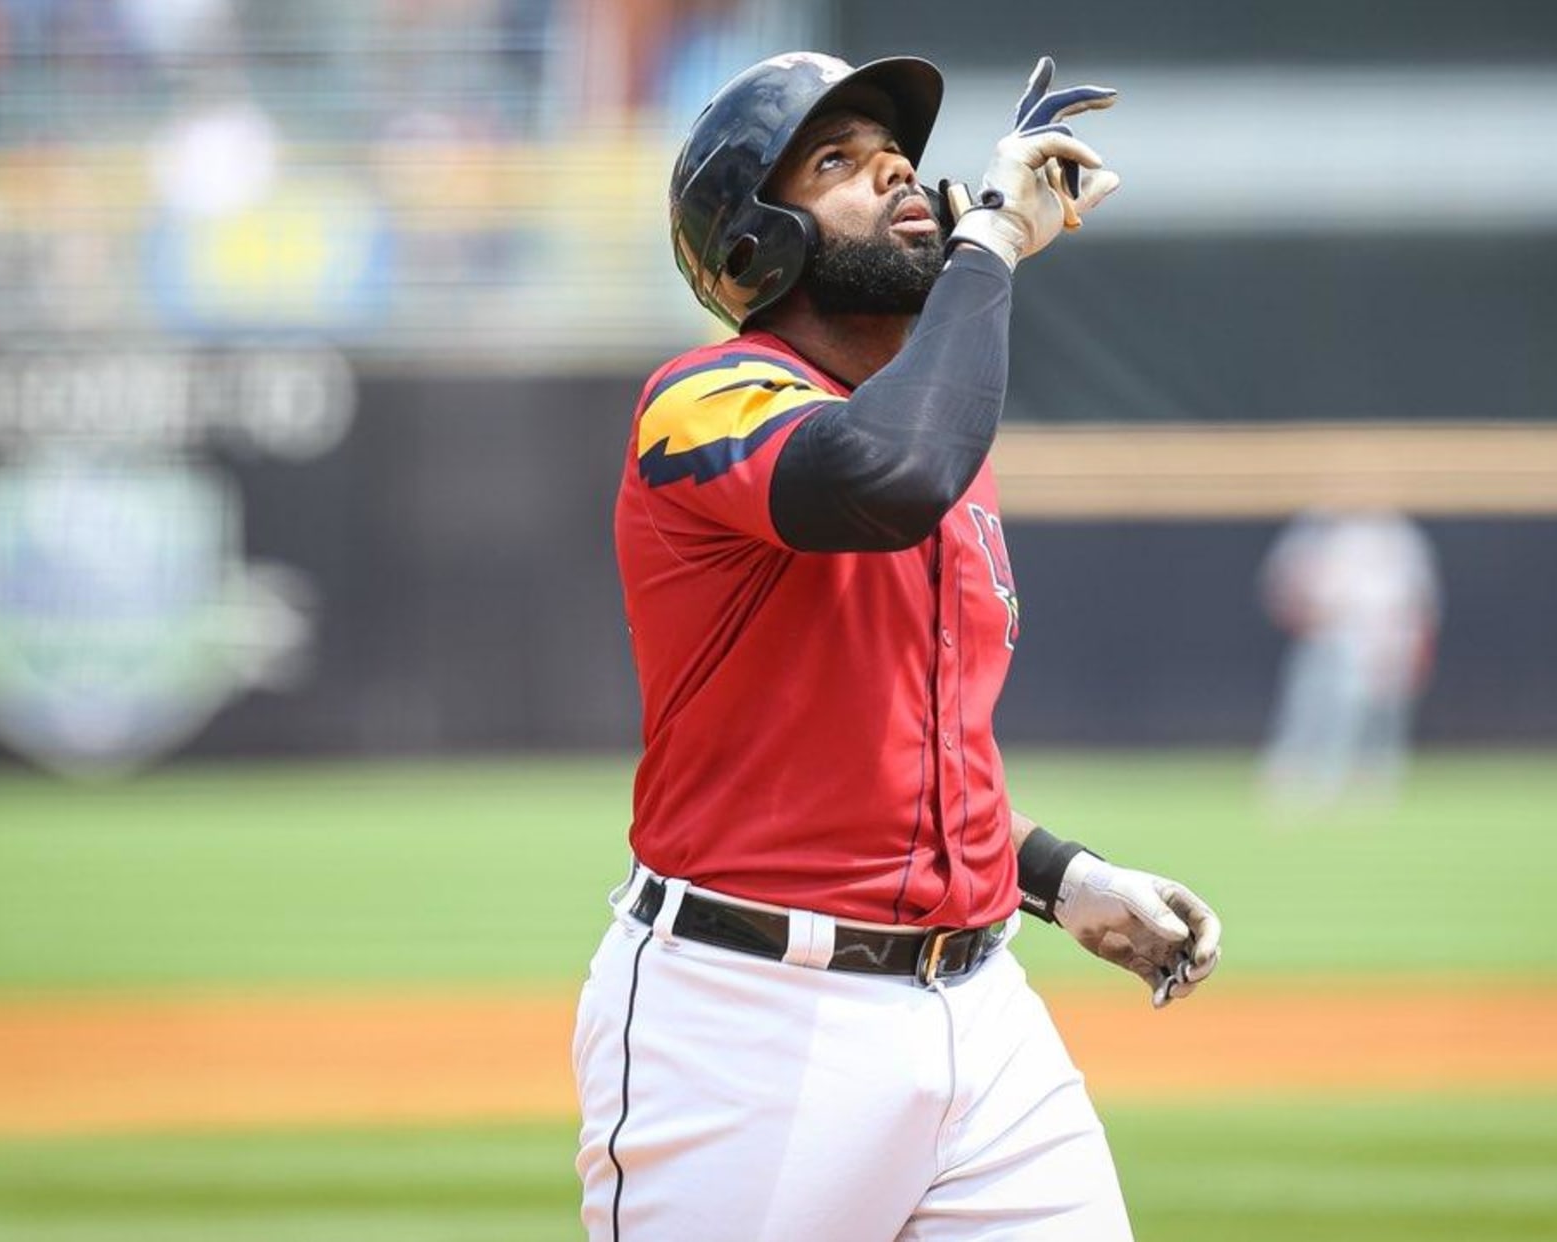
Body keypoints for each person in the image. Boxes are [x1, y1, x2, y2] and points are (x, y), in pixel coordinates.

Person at [574, 51, 1224, 1240]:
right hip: (750, 1025)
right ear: (755, 245)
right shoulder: (709, 396)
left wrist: (1057, 877)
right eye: (836, 161)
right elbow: (885, 476)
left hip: (983, 1014)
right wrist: (991, 247)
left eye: (897, 156)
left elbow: (905, 750)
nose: (895, 175)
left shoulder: (942, 439)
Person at [1257, 506, 1441, 812]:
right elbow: (1283, 579)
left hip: (1389, 636)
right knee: (1313, 710)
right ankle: (1296, 782)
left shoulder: (1398, 532)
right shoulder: (1318, 525)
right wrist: (1304, 612)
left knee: (1380, 718)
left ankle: (1366, 789)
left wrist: (1413, 639)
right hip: (1330, 632)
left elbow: (1419, 593)